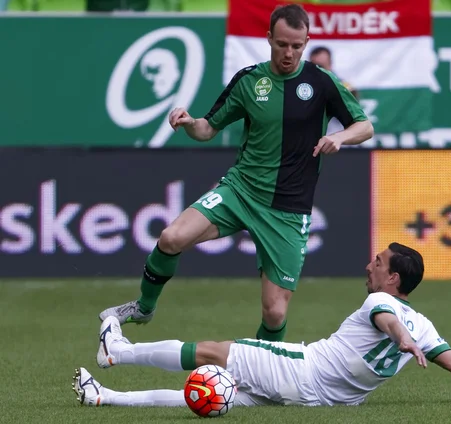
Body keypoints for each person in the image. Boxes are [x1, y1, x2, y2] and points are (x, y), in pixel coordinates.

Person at [98, 4, 374, 343]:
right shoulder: (248, 81)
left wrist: (339, 137)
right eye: (282, 44)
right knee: (170, 238)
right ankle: (144, 307)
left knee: (275, 313)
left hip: (288, 210)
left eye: (297, 46)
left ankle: (263, 375)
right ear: (269, 37)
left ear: (306, 42)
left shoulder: (321, 81)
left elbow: (365, 126)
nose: (289, 53)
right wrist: (188, 122)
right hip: (240, 191)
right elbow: (207, 129)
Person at [75, 243, 451, 408]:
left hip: (299, 367)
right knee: (213, 396)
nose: (369, 265)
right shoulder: (427, 329)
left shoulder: (381, 300)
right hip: (324, 402)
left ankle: (118, 351)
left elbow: (386, 320)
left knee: (211, 352)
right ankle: (106, 398)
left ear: (394, 279)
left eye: (378, 263)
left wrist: (401, 340)